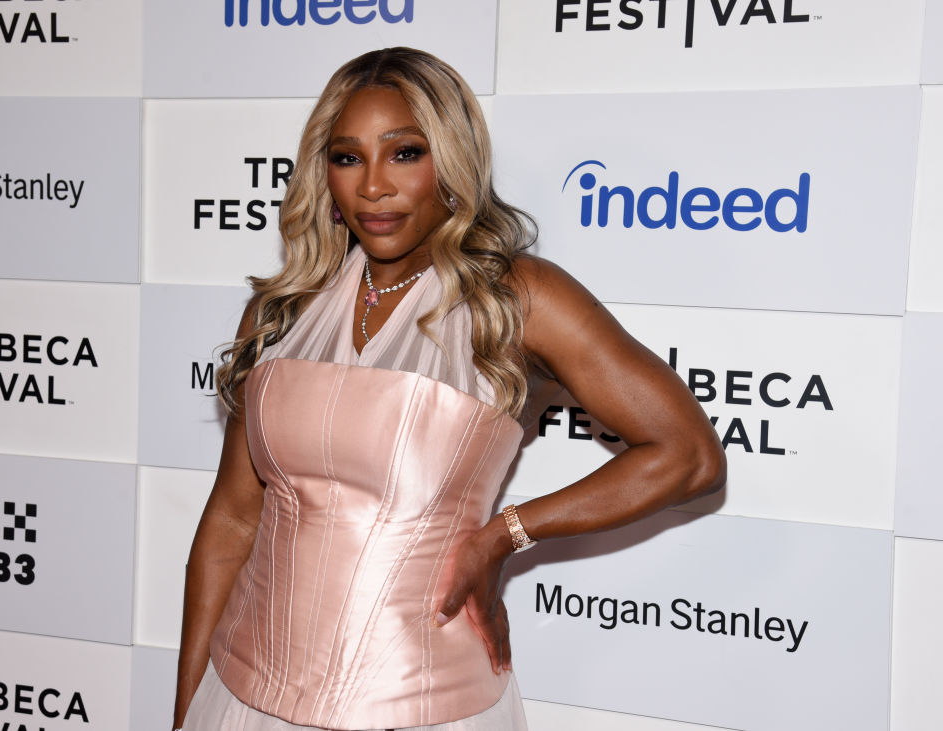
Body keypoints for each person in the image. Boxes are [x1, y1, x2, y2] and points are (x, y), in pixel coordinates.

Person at [173, 47, 726, 731]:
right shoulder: (280, 313)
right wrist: (186, 710)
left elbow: (690, 455)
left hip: (423, 702)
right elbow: (230, 522)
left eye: (404, 153)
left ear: (452, 160)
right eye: (348, 158)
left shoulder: (516, 298)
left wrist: (506, 534)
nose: (373, 185)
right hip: (242, 694)